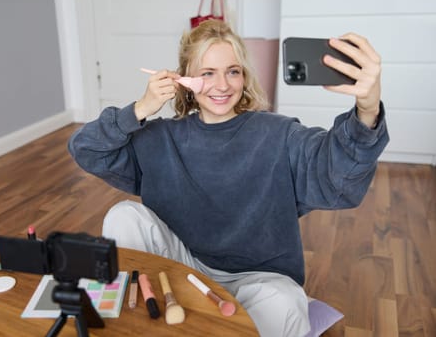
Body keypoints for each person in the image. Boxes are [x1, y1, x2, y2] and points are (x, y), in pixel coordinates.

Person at [68, 20, 389, 336]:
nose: (222, 85)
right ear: (184, 78)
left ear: (244, 76)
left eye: (232, 71)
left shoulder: (280, 133)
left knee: (286, 305)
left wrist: (367, 110)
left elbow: (339, 180)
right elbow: (87, 149)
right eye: (207, 73)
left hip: (258, 279)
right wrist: (139, 108)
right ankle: (144, 316)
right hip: (181, 270)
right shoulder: (160, 137)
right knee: (123, 216)